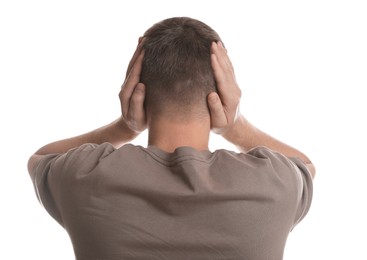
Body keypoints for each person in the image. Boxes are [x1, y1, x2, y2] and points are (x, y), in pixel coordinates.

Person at [28, 17, 315, 260]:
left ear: (137, 89)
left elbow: (40, 159)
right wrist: (235, 126)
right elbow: (305, 166)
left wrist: (124, 128)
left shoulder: (84, 175)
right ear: (223, 92)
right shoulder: (275, 184)